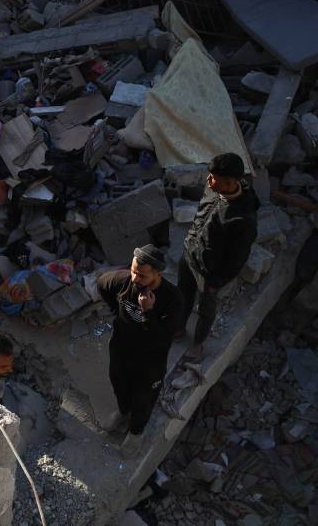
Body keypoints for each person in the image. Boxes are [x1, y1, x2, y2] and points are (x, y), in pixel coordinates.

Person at [97, 245, 184, 458]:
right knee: (118, 383)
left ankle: (136, 432)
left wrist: (148, 312)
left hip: (150, 360)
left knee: (143, 398)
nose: (135, 278)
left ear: (158, 274)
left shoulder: (173, 299)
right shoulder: (123, 282)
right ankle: (123, 412)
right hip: (121, 348)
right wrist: (115, 312)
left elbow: (161, 338)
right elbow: (102, 284)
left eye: (142, 275)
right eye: (134, 270)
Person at [178, 153, 259, 355]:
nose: (208, 180)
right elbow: (200, 217)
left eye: (213, 178)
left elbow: (237, 259)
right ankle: (178, 328)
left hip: (209, 273)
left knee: (205, 311)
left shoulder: (243, 219)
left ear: (231, 182)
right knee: (182, 296)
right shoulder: (213, 189)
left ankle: (197, 344)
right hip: (190, 254)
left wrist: (216, 282)